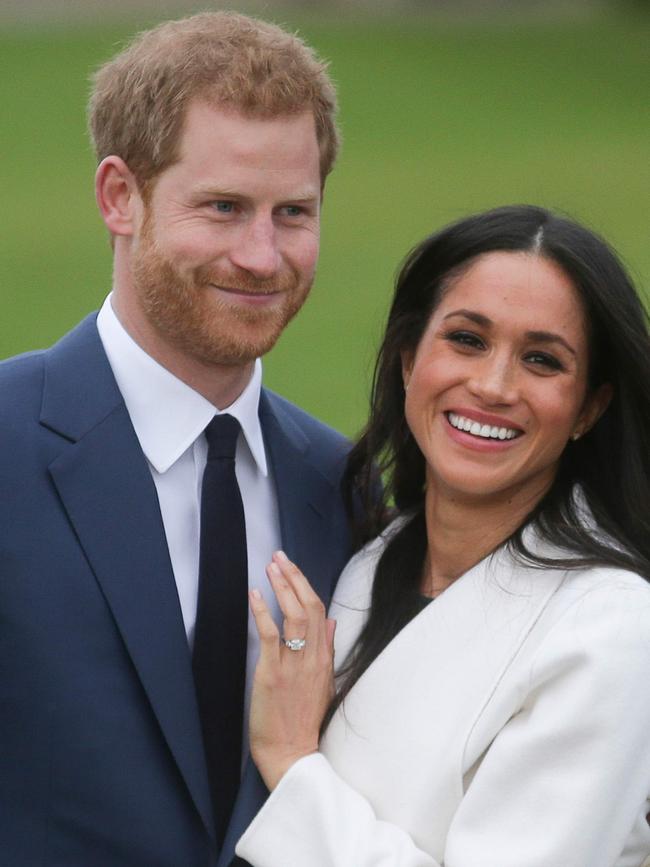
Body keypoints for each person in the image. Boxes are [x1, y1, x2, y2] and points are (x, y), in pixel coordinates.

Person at [0, 12, 356, 867]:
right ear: (120, 196)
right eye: (225, 208)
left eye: (294, 212)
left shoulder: (344, 486)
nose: (264, 256)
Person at [236, 205, 650, 867]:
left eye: (542, 360)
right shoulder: (365, 562)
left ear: (588, 410)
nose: (491, 385)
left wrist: (292, 765)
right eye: (466, 339)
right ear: (408, 359)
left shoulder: (608, 625)